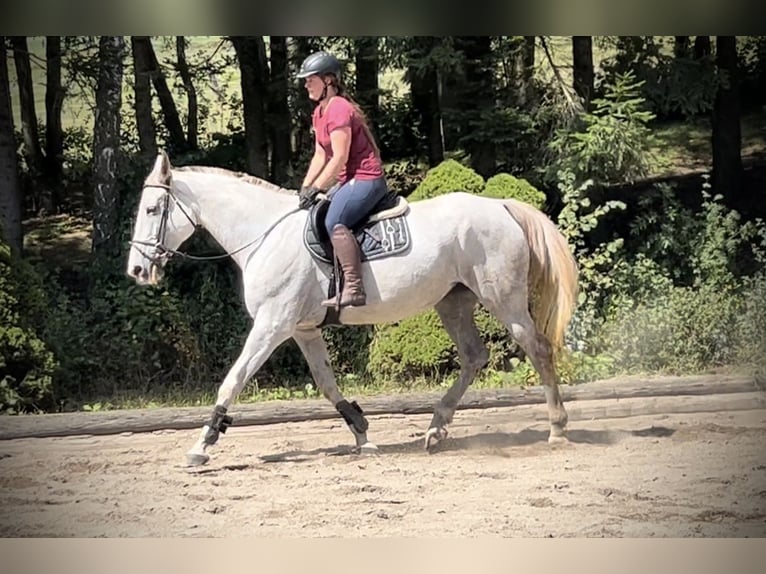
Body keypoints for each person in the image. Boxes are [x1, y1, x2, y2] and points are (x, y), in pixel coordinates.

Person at [296, 50, 389, 309]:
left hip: (366, 178)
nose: (305, 85)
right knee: (315, 211)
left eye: (309, 79)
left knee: (334, 220)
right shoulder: (319, 112)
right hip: (348, 180)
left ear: (328, 80)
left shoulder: (338, 108)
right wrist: (305, 188)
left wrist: (318, 187)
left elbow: (338, 157)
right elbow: (319, 155)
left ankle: (355, 288)